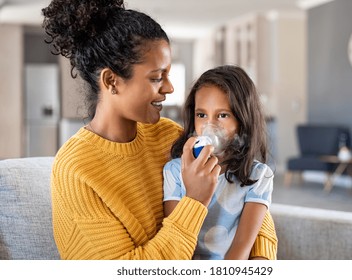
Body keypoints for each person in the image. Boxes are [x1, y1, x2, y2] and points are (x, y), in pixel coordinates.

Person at [42, 0, 277, 260]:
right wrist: (195, 202)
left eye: (168, 74)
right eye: (156, 77)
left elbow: (243, 192)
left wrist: (259, 261)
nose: (170, 88)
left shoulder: (168, 135)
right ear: (111, 81)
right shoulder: (75, 169)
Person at [163, 65, 277, 260]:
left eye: (222, 115)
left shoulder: (259, 176)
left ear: (242, 120)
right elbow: (175, 241)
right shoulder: (175, 170)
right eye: (201, 115)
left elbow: (242, 246)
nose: (210, 125)